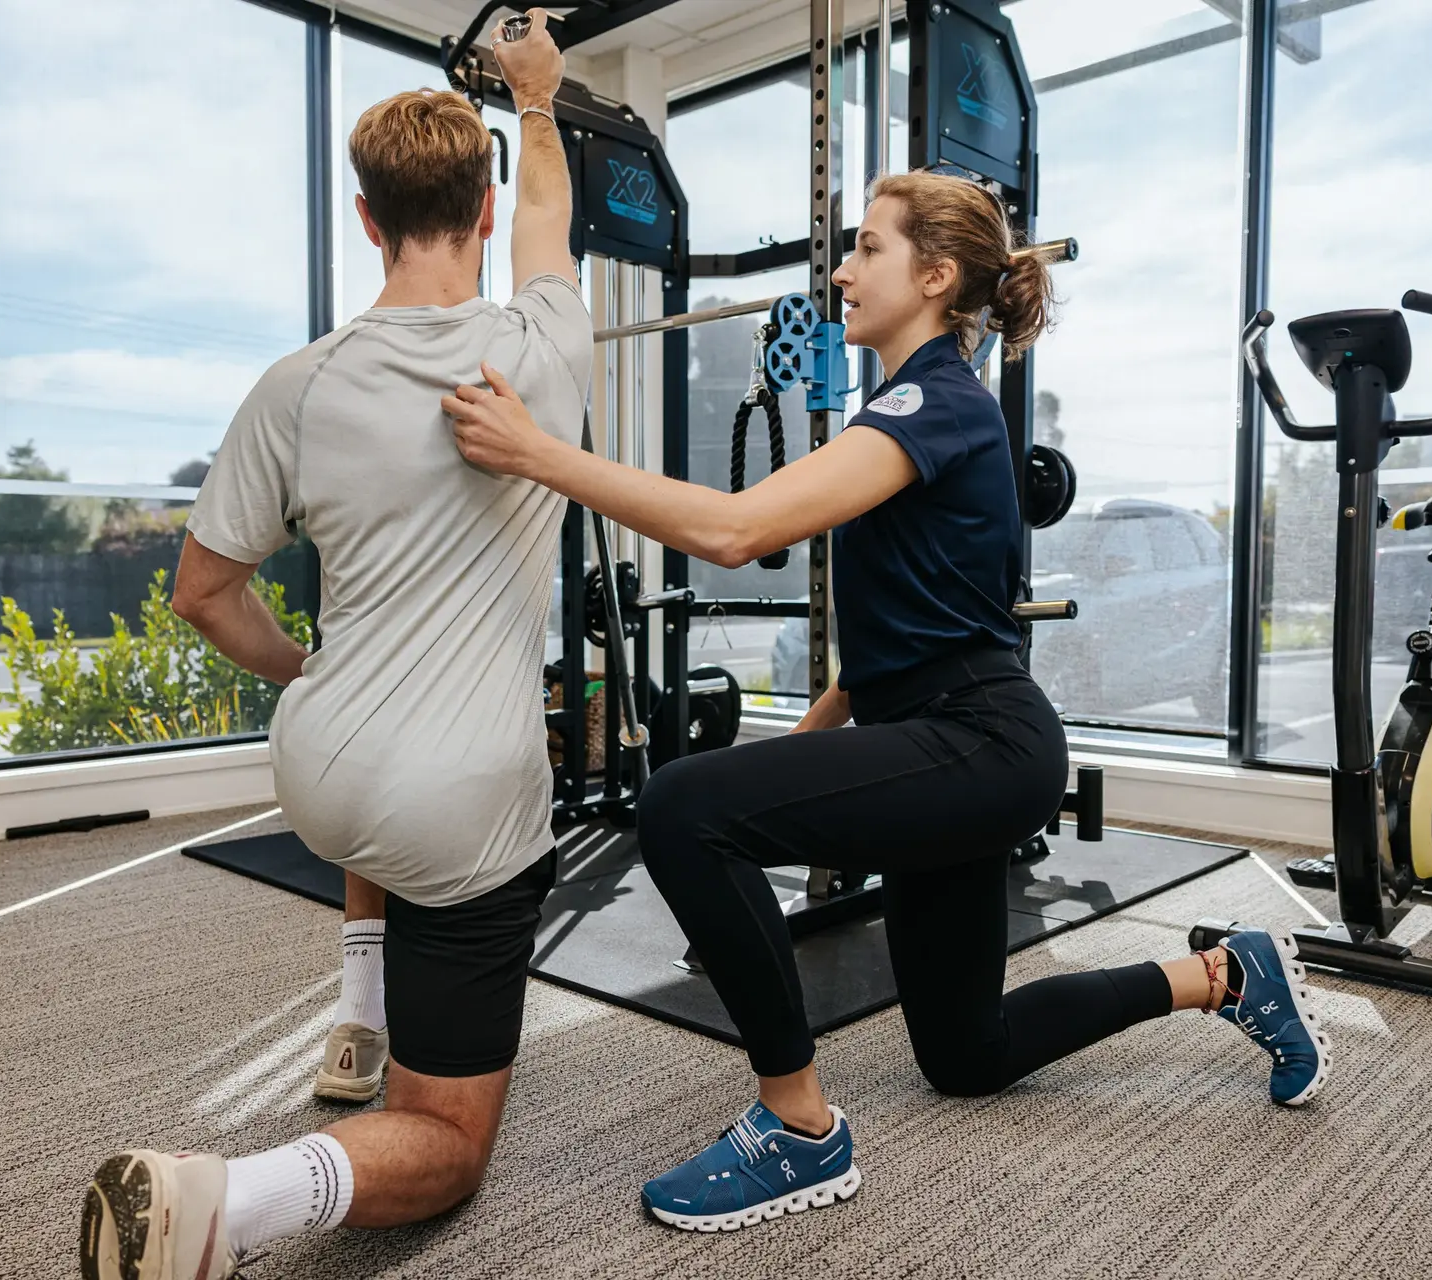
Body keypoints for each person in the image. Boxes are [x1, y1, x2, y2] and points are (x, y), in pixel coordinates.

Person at [441, 169, 1332, 1234]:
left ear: (936, 273)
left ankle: (799, 1128)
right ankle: (1227, 972)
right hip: (949, 738)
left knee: (681, 804)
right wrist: (807, 769)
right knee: (968, 1053)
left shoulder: (932, 401)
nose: (843, 269)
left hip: (979, 739)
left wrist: (541, 455)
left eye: (866, 247)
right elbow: (891, 644)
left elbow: (736, 530)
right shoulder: (913, 409)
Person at [76, 14, 591, 1278]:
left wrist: (311, 678)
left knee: (376, 787)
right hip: (460, 805)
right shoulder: (544, 347)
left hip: (315, 776)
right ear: (478, 210)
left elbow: (204, 592)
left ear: (365, 220)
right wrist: (536, 99)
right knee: (448, 1143)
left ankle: (361, 1009)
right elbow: (551, 225)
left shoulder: (295, 384)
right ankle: (226, 1200)